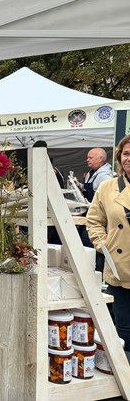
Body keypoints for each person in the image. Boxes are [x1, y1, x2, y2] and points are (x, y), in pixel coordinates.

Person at [86, 134, 130, 349]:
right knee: (123, 332)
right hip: (119, 269)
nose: (128, 158)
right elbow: (94, 220)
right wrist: (104, 245)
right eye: (126, 153)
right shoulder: (107, 187)